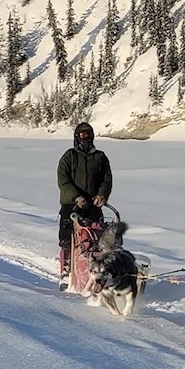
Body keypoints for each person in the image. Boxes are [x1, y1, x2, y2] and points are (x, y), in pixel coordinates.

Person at [56, 121, 113, 287]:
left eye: (88, 134)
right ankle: (66, 269)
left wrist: (102, 195)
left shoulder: (100, 157)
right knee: (68, 238)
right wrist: (76, 197)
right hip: (72, 204)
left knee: (97, 238)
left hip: (94, 204)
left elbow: (106, 179)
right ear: (77, 137)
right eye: (82, 134)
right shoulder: (69, 156)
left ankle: (99, 270)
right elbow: (63, 179)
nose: (86, 138)